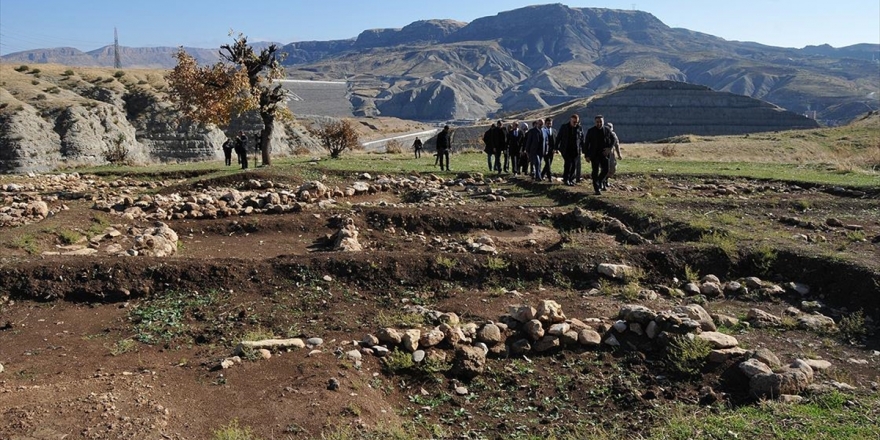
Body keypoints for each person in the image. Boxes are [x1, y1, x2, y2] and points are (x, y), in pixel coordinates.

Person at [584, 115, 613, 195]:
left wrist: (609, 148)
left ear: (603, 122)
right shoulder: (591, 131)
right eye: (597, 122)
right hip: (594, 155)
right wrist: (586, 155)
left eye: (601, 122)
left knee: (606, 169)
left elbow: (612, 139)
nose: (599, 123)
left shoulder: (607, 130)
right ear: (595, 122)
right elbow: (586, 144)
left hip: (604, 154)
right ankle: (596, 188)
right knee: (595, 171)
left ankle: (600, 181)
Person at [556, 114, 585, 186]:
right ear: (570, 120)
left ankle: (571, 179)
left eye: (576, 122)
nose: (575, 123)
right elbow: (559, 137)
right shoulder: (564, 127)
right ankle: (566, 179)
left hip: (576, 150)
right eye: (574, 122)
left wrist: (584, 150)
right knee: (568, 164)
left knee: (574, 165)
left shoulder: (579, 128)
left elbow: (582, 140)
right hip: (566, 149)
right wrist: (556, 147)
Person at [603, 123, 623, 189]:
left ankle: (606, 179)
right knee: (605, 168)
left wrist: (619, 154)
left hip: (611, 154)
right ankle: (603, 181)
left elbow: (617, 145)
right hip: (603, 154)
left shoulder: (613, 135)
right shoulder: (601, 134)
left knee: (613, 168)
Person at [540, 117, 556, 181]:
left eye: (550, 123)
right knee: (548, 163)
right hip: (545, 150)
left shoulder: (554, 131)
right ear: (545, 124)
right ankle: (549, 177)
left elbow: (555, 141)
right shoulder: (542, 131)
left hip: (552, 151)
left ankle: (542, 174)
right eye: (548, 123)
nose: (549, 125)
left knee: (548, 164)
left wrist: (555, 149)